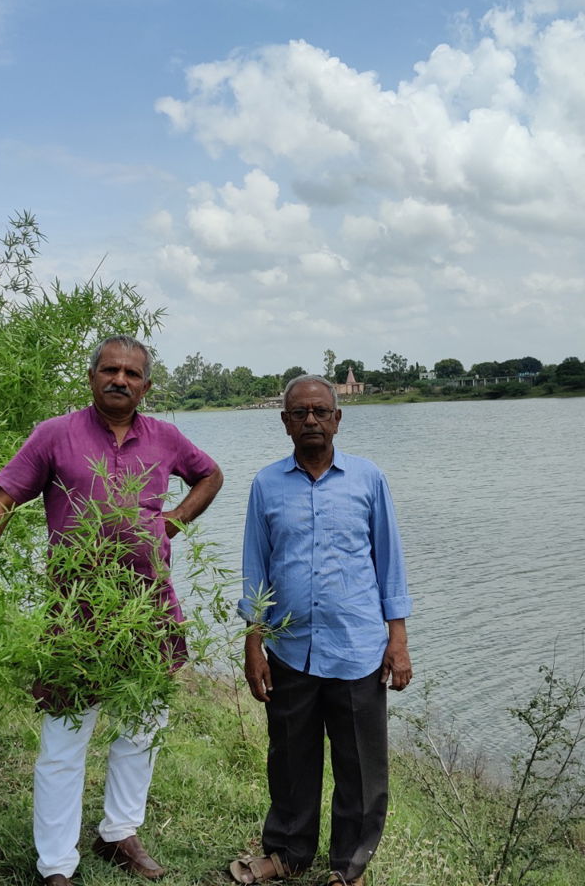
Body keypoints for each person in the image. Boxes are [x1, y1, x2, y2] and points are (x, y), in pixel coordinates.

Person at [0, 335, 223, 886]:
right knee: (64, 736)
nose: (120, 380)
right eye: (110, 370)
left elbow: (210, 475)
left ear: (146, 387)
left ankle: (118, 834)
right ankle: (56, 864)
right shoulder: (55, 434)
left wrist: (172, 520)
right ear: (91, 377)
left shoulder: (167, 437)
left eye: (131, 374)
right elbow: (3, 501)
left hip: (148, 606)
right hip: (76, 612)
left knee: (143, 723)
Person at [230, 375, 412, 886]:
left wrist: (397, 640)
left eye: (320, 411)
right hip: (289, 647)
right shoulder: (266, 484)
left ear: (337, 418)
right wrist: (254, 642)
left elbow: (389, 562)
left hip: (357, 646)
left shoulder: (368, 479)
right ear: (285, 422)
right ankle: (287, 852)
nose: (311, 419)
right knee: (290, 758)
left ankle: (348, 868)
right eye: (299, 412)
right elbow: (256, 568)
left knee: (360, 767)